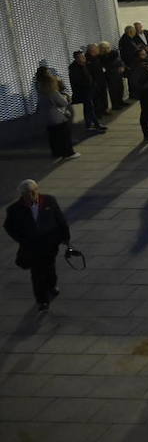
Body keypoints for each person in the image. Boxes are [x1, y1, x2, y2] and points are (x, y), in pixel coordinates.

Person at [5, 179, 71, 313]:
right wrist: (21, 239)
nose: (30, 195)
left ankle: (51, 285)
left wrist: (65, 238)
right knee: (37, 273)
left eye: (32, 192)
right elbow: (8, 226)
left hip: (50, 243)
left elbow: (60, 219)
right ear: (22, 195)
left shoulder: (49, 201)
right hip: (32, 247)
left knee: (50, 267)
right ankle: (42, 300)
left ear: (37, 190)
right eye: (26, 193)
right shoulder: (14, 209)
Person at [35, 67, 77, 162]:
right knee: (64, 135)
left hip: (47, 119)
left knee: (53, 137)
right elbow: (63, 103)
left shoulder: (41, 91)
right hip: (57, 118)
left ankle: (56, 153)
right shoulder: (52, 92)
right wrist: (66, 96)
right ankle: (68, 153)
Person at [68, 49, 105, 134]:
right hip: (83, 92)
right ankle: (94, 125)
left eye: (83, 56)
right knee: (90, 108)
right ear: (77, 58)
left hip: (89, 90)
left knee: (88, 108)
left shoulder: (84, 65)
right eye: (81, 57)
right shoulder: (74, 68)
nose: (83, 58)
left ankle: (91, 125)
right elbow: (78, 81)